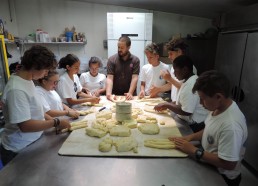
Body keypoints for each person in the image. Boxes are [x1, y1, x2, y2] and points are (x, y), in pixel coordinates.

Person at [170, 70, 248, 186]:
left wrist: (194, 151)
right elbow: (210, 130)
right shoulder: (218, 108)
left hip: (223, 176)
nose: (200, 103)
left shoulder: (231, 125)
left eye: (203, 98)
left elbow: (229, 163)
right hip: (209, 165)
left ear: (218, 97)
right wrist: (190, 137)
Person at [0, 45, 71, 165]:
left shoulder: (28, 81)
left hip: (33, 142)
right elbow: (25, 125)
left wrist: (54, 122)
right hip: (19, 149)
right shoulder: (16, 89)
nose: (46, 73)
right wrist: (56, 122)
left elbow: (36, 111)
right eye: (45, 70)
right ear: (35, 67)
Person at [154, 55, 208, 132]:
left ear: (185, 70)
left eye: (175, 70)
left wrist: (167, 105)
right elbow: (183, 102)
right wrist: (169, 104)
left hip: (195, 126)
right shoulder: (187, 80)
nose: (174, 74)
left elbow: (186, 111)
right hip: (189, 121)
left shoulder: (191, 85)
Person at [106, 36, 140, 101]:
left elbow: (135, 78)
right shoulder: (111, 60)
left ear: (128, 47)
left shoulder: (135, 60)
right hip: (115, 95)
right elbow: (110, 78)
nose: (119, 50)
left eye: (122, 48)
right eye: (118, 47)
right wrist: (108, 93)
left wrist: (130, 93)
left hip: (130, 95)